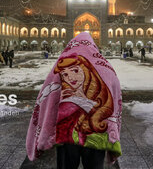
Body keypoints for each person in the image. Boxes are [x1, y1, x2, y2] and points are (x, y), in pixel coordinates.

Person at [25, 32, 122, 169]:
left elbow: (47, 99)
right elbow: (116, 95)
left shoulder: (62, 63)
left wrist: (47, 125)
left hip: (66, 135)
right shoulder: (105, 66)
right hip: (98, 132)